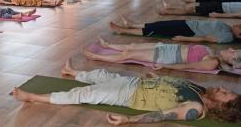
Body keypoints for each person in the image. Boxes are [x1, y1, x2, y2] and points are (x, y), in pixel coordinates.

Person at [13, 60, 241, 125]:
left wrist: (129, 119)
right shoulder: (202, 90)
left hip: (127, 95)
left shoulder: (196, 108)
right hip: (135, 83)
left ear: (220, 107)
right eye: (225, 89)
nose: (221, 88)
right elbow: (174, 84)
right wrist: (156, 78)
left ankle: (32, 97)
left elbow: (161, 116)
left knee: (82, 95)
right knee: (102, 75)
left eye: (224, 94)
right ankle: (72, 71)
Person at [83, 36, 241, 71]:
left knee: (128, 54)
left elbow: (189, 66)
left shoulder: (213, 61)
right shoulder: (213, 52)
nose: (231, 49)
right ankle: (108, 45)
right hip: (168, 48)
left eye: (233, 52)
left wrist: (165, 66)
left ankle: (95, 56)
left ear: (232, 61)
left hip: (167, 57)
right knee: (133, 45)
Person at [109, 15, 241, 43]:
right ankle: (132, 24)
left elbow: (207, 38)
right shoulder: (228, 29)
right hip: (188, 24)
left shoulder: (228, 36)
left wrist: (184, 38)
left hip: (188, 31)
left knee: (157, 30)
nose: (238, 25)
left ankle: (123, 30)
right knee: (159, 24)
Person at [157, 1, 241, 18]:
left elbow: (235, 14)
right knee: (192, 6)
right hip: (220, 4)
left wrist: (218, 15)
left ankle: (166, 11)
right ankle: (169, 6)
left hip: (220, 9)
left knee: (191, 9)